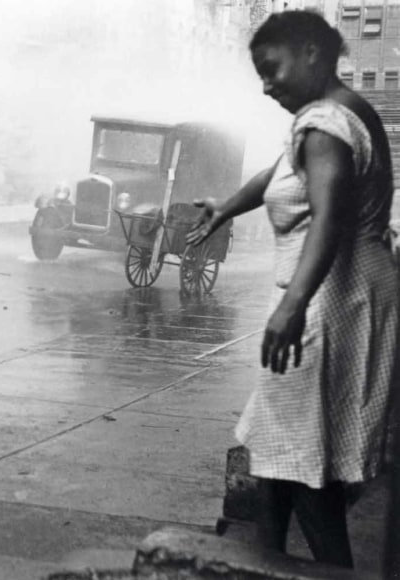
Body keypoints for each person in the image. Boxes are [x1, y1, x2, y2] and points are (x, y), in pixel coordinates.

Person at [186, 10, 398, 569]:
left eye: (272, 68)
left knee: (304, 463)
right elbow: (279, 172)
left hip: (329, 299)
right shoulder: (334, 115)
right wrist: (228, 205)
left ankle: (330, 571)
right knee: (277, 449)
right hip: (348, 294)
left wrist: (292, 305)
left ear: (311, 52)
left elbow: (326, 217)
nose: (265, 84)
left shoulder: (325, 126)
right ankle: (266, 561)